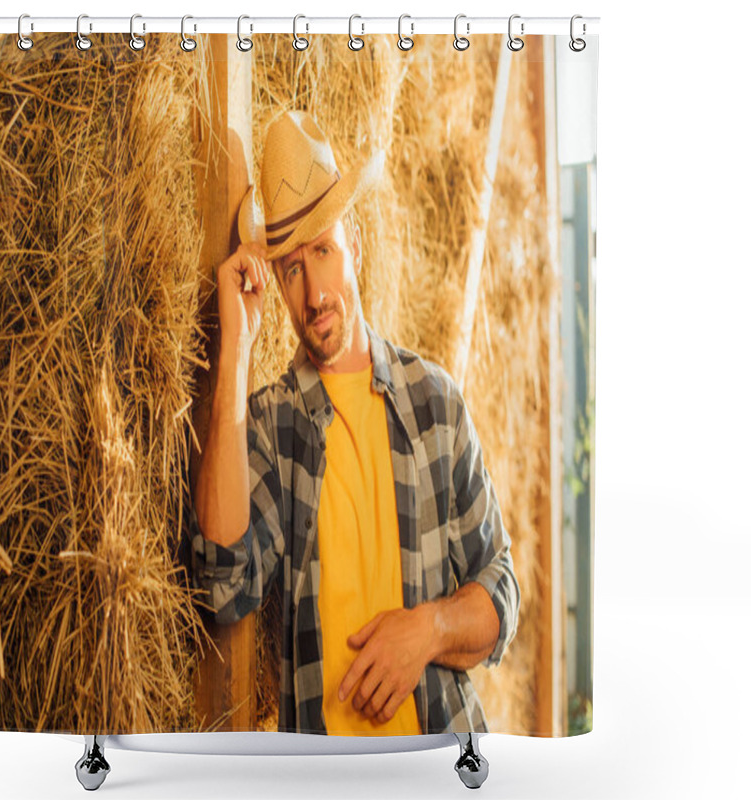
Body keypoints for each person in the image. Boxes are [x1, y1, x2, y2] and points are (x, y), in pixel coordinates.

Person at [190, 111, 520, 736]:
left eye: (323, 251)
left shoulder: (435, 405)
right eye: (290, 267)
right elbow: (222, 585)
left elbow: (500, 592)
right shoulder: (269, 426)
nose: (314, 293)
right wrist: (235, 349)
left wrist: (427, 630)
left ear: (357, 245)